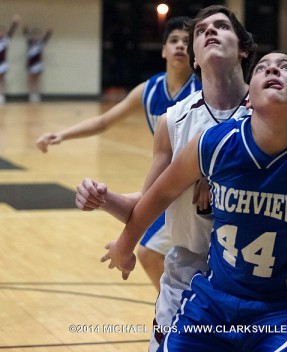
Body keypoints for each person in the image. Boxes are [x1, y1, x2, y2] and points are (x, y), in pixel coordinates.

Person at [99, 51, 287, 351]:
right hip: (215, 299)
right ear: (248, 100)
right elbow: (159, 194)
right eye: (262, 68)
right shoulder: (214, 144)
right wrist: (125, 246)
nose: (273, 70)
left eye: (286, 68)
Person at [75, 5, 257, 351]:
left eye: (221, 26)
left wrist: (219, 181)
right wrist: (104, 199)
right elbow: (150, 201)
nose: (210, 33)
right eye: (201, 32)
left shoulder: (268, 112)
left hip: (254, 278)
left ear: (243, 48)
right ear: (195, 60)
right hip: (188, 274)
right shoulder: (172, 121)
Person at [37, 16, 201, 291]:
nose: (180, 46)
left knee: (153, 252)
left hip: (196, 185)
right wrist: (62, 135)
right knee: (152, 252)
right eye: (173, 41)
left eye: (186, 42)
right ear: (163, 50)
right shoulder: (148, 90)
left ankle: (184, 314)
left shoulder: (203, 90)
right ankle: (181, 313)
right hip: (168, 185)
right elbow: (104, 121)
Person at [23, 26, 53, 102]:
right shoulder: (29, 42)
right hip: (31, 64)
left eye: (38, 35)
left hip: (38, 64)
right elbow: (25, 33)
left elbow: (47, 37)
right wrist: (25, 28)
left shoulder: (41, 43)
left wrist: (48, 32)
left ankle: (36, 93)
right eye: (34, 35)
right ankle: (31, 94)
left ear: (40, 36)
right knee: (31, 79)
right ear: (32, 36)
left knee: (37, 80)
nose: (36, 37)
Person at [0, 14, 21, 104]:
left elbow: (11, 31)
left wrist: (14, 23)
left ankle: (1, 96)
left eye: (3, 31)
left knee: (2, 79)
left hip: (3, 63)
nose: (1, 33)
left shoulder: (6, 39)